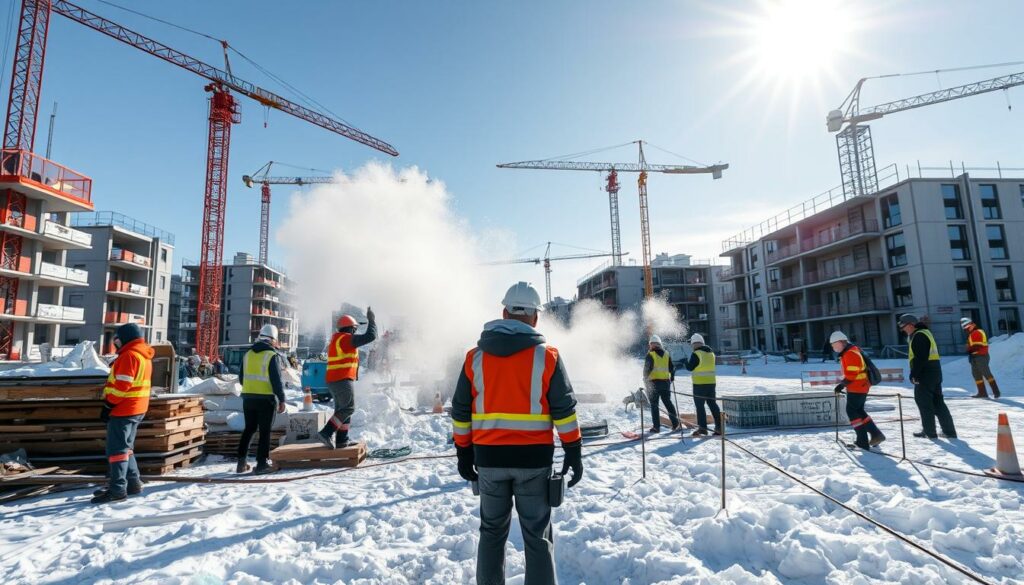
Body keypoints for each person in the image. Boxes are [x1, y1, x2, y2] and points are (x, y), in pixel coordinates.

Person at [451, 282, 583, 585]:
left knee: (491, 532)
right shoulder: (547, 357)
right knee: (537, 535)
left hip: (489, 461)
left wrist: (463, 452)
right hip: (533, 462)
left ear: (504, 312)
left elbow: (460, 411)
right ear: (535, 318)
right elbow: (564, 411)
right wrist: (573, 450)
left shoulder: (474, 358)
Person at [92, 323, 153, 504]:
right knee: (126, 448)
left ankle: (117, 489)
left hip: (124, 409)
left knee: (116, 450)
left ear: (125, 338)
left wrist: (108, 405)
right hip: (137, 408)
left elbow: (122, 387)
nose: (115, 343)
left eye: (117, 340)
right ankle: (133, 484)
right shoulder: (143, 355)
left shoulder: (129, 356)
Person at [317, 308, 377, 448]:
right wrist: (372, 320)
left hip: (335, 380)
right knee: (348, 408)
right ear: (350, 328)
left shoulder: (337, 339)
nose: (355, 332)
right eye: (354, 329)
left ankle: (342, 440)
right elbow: (371, 336)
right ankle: (326, 432)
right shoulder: (345, 339)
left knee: (342, 410)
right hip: (342, 379)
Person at [236, 324, 287, 474]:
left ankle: (241, 463)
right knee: (265, 432)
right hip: (265, 399)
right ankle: (261, 464)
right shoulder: (271, 355)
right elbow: (276, 381)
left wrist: (251, 388)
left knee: (249, 429)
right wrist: (282, 399)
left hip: (248, 398)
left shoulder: (248, 354)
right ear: (272, 339)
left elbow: (241, 378)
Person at [899, 314, 957, 439]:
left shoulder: (919, 335)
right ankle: (949, 432)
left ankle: (929, 431)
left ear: (911, 325)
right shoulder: (925, 333)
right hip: (934, 371)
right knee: (938, 402)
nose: (903, 330)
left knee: (924, 402)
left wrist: (914, 374)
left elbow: (920, 358)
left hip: (925, 373)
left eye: (904, 326)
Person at [830, 331, 885, 449]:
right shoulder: (851, 351)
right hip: (859, 386)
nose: (833, 348)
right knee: (859, 411)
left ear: (841, 342)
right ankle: (875, 435)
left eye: (834, 345)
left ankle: (864, 440)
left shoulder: (850, 353)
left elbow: (852, 373)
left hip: (857, 387)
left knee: (851, 411)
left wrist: (842, 385)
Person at [684, 333, 721, 436]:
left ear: (694, 343)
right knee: (713, 404)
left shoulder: (697, 354)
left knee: (700, 407)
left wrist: (685, 362)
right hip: (711, 383)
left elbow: (690, 367)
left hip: (699, 384)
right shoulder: (711, 354)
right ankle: (719, 427)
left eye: (692, 344)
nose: (692, 346)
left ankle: (702, 429)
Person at [643, 335, 680, 433]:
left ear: (651, 344)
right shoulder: (666, 354)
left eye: (651, 344)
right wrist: (672, 377)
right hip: (665, 383)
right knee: (668, 403)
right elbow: (672, 368)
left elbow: (647, 370)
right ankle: (676, 424)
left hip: (653, 383)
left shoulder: (650, 355)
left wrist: (645, 380)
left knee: (654, 405)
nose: (650, 346)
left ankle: (656, 427)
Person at [962, 317, 1000, 399]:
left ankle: (996, 392)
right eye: (965, 328)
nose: (966, 330)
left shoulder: (977, 332)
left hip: (981, 356)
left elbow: (977, 345)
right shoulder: (972, 333)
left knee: (986, 373)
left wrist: (969, 350)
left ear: (971, 325)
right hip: (975, 356)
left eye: (967, 328)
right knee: (976, 374)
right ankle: (982, 392)